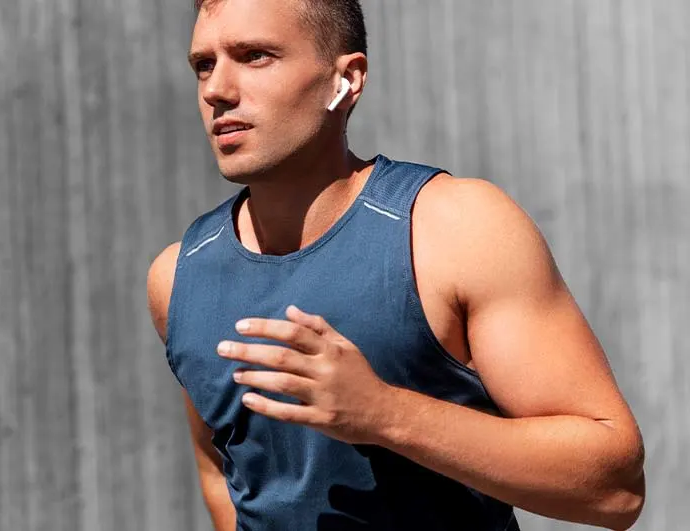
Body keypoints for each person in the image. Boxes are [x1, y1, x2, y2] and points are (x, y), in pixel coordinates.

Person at [145, 0, 646, 529]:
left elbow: (614, 489)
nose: (216, 90)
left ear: (347, 80)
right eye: (204, 64)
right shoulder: (178, 277)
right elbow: (222, 472)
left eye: (255, 56)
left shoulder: (456, 230)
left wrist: (385, 414)